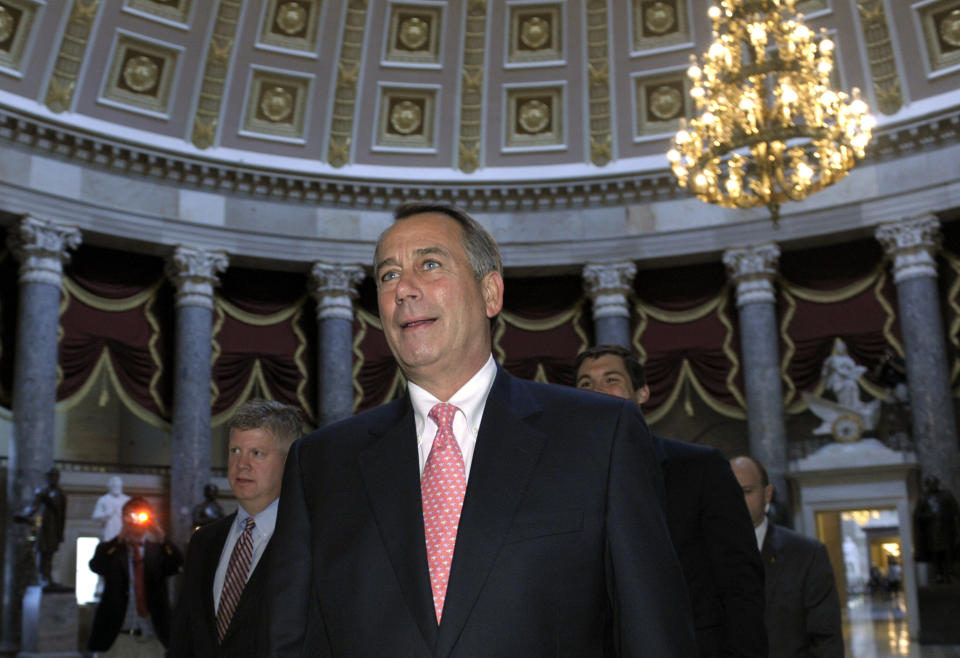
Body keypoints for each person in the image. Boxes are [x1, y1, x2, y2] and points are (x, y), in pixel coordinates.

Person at [267, 202, 697, 656]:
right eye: (388, 275)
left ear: (490, 292)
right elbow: (292, 640)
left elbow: (652, 632)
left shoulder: (600, 436)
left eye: (430, 264)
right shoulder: (320, 464)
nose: (404, 290)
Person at [574, 345, 767, 657]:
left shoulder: (700, 468)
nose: (596, 390)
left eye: (611, 380)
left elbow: (740, 583)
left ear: (642, 394)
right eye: (585, 384)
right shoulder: (564, 480)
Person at [170, 398, 303, 657]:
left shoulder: (311, 542)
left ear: (287, 463)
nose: (242, 464)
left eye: (257, 453)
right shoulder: (203, 541)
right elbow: (183, 637)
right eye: (235, 451)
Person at [730, 456, 843, 658]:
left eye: (747, 492)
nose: (736, 500)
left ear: (767, 494)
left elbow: (827, 640)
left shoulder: (807, 555)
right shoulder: (700, 554)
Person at [87, 496, 182, 657]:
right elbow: (97, 565)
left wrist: (160, 535)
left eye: (142, 516)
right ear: (124, 518)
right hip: (117, 638)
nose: (137, 521)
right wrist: (121, 535)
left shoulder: (158, 551)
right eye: (132, 515)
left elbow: (177, 563)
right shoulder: (112, 550)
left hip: (153, 638)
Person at [13, 466, 67, 589]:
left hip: (54, 527)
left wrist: (61, 532)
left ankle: (47, 577)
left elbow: (62, 513)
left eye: (55, 476)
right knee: (42, 552)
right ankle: (43, 577)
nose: (53, 479)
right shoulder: (42, 491)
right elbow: (33, 507)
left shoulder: (60, 493)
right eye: (50, 476)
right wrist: (25, 515)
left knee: (49, 554)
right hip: (45, 527)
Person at [92, 475, 131, 541]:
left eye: (118, 486)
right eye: (114, 486)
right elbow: (95, 516)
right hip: (109, 532)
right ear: (110, 486)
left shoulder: (127, 500)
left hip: (124, 532)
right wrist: (106, 515)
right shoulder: (103, 499)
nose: (116, 487)